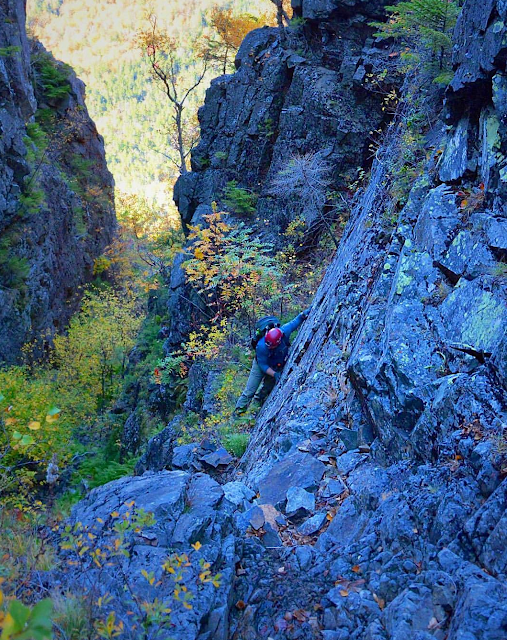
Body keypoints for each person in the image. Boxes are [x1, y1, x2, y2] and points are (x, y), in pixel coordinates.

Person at [234, 308, 310, 414]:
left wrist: (305, 313)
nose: (268, 346)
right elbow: (263, 365)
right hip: (261, 364)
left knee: (266, 389)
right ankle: (239, 413)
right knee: (249, 391)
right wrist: (275, 374)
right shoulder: (261, 346)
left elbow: (295, 322)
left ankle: (255, 410)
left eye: (271, 345)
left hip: (275, 363)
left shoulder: (284, 332)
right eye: (268, 344)